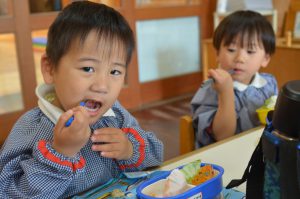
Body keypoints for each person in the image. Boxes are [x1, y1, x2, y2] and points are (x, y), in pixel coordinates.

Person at [0, 2, 163, 198]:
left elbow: (156, 155)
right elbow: (8, 192)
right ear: (50, 69)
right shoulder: (31, 128)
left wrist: (129, 149)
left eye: (115, 71)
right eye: (87, 68)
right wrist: (61, 151)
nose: (102, 86)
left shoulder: (115, 116)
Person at [191, 10, 278, 148]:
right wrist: (225, 92)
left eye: (250, 51)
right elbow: (223, 136)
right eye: (231, 49)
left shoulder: (269, 83)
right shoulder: (211, 88)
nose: (240, 58)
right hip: (222, 160)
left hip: (259, 154)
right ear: (218, 53)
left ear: (265, 58)